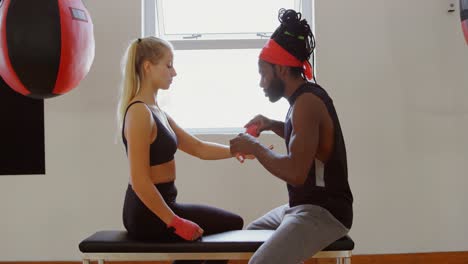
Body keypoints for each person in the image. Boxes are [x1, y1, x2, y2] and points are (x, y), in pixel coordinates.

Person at [229, 9, 353, 264]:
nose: (262, 83)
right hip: (301, 207)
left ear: (283, 70)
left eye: (264, 73)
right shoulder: (303, 99)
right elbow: (309, 141)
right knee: (250, 235)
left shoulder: (306, 104)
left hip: (324, 213)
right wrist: (270, 124)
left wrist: (254, 146)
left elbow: (296, 172)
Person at [117, 36, 244, 264]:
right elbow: (139, 180)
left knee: (228, 226)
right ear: (148, 67)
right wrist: (174, 221)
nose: (173, 72)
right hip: (146, 213)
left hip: (166, 204)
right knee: (228, 226)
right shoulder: (138, 113)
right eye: (168, 65)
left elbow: (198, 147)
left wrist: (235, 151)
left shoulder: (157, 112)